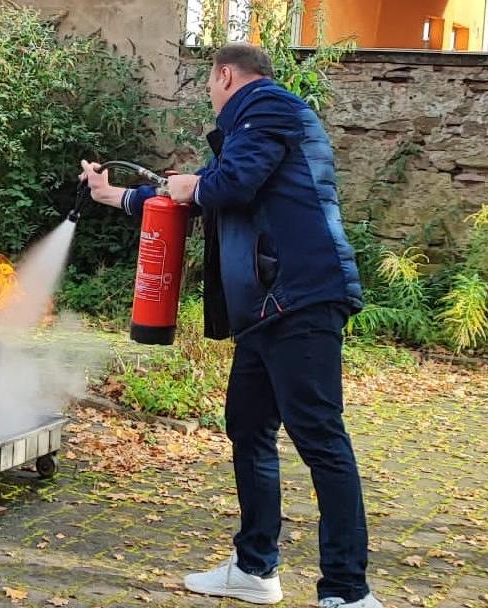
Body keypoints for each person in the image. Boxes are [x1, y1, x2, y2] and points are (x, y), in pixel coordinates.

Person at [80, 43, 381, 608]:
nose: (211, 97)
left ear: (225, 75)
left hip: (302, 298)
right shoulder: (249, 128)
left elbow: (225, 186)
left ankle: (348, 591)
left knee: (319, 438)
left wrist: (193, 184)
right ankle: (254, 569)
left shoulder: (268, 107)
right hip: (266, 309)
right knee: (248, 428)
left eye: (211, 86)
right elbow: (197, 194)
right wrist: (116, 195)